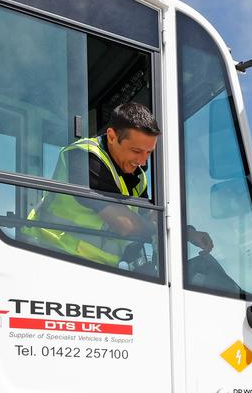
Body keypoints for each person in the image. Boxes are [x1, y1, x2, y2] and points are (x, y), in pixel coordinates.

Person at [25, 102, 212, 269]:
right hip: (50, 255)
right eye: (136, 150)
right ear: (112, 136)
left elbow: (149, 213)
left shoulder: (136, 176)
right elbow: (127, 225)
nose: (142, 160)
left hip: (94, 266)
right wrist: (161, 232)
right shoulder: (84, 157)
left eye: (148, 152)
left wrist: (188, 233)